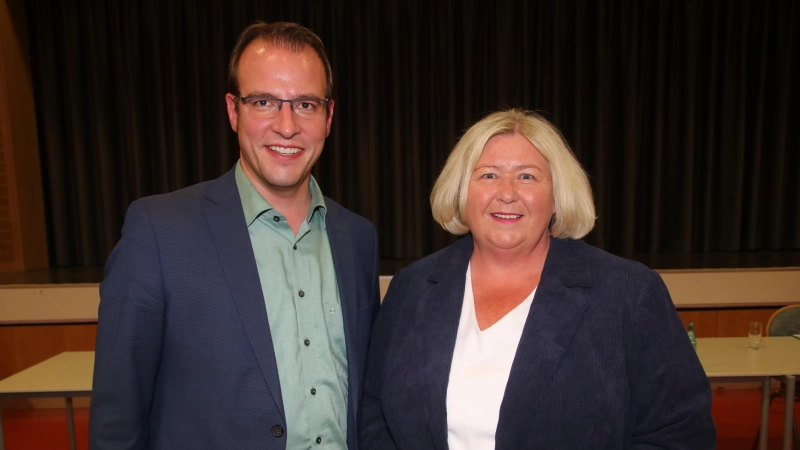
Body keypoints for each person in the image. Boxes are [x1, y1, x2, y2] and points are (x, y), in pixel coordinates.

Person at [90, 22, 380, 450]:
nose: (286, 126)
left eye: (305, 104)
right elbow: (118, 416)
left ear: (328, 116)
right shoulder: (158, 232)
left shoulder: (358, 238)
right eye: (264, 102)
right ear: (233, 110)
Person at [360, 109, 716, 449]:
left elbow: (681, 432)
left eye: (527, 176)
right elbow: (375, 412)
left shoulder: (629, 293)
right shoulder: (411, 289)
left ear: (557, 196)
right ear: (460, 191)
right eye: (488, 175)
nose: (507, 193)